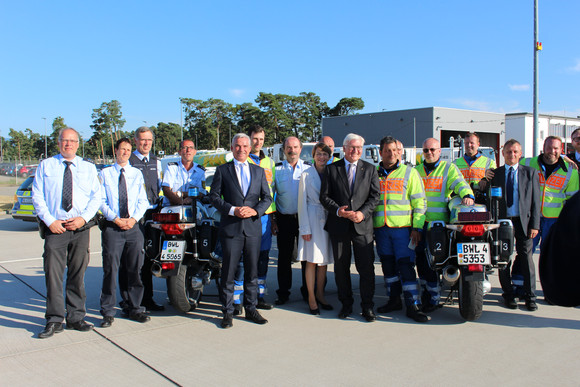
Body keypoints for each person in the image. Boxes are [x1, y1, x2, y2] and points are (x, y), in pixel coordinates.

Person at [32, 128, 101, 339]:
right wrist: (50, 221)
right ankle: (54, 320)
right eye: (65, 141)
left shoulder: (88, 168)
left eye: (72, 141)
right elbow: (37, 195)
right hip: (56, 228)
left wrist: (83, 218)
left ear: (78, 144)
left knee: (77, 274)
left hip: (79, 228)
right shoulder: (46, 165)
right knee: (53, 275)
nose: (68, 144)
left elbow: (96, 197)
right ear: (59, 142)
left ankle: (76, 317)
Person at [210, 133, 273, 329]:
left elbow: (267, 198)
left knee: (252, 272)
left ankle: (251, 308)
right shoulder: (223, 170)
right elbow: (214, 197)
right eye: (238, 146)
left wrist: (255, 211)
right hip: (231, 229)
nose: (242, 149)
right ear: (232, 147)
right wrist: (232, 210)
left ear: (249, 147)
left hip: (253, 230)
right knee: (228, 272)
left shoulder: (258, 171)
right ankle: (227, 312)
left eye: (245, 146)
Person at [320, 133, 380, 321]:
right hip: (339, 226)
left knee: (366, 269)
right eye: (352, 147)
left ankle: (367, 306)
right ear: (343, 148)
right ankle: (346, 305)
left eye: (359, 148)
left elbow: (375, 197)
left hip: (362, 226)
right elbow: (324, 197)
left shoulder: (370, 169)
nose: (355, 151)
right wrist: (338, 211)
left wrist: (362, 213)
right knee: (341, 268)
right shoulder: (331, 169)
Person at [479, 139, 541, 311]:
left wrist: (535, 224)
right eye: (508, 152)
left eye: (515, 152)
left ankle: (530, 297)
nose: (512, 155)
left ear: (520, 154)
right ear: (503, 154)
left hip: (524, 223)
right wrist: (484, 178)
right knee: (503, 259)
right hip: (502, 223)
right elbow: (484, 193)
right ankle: (508, 295)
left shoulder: (530, 173)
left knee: (526, 258)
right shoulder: (495, 174)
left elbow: (536, 201)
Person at [414, 138, 474, 312]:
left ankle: (433, 298)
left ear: (440, 151)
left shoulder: (449, 168)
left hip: (439, 225)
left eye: (433, 149)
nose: (429, 153)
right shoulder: (416, 170)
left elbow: (460, 183)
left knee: (435, 261)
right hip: (420, 222)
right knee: (421, 261)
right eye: (426, 150)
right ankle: (426, 292)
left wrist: (468, 195)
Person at [373, 136, 428, 323]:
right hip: (381, 230)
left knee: (406, 267)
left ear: (399, 151)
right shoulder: (373, 173)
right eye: (387, 150)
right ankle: (393, 300)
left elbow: (420, 202)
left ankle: (413, 305)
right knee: (388, 267)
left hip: (403, 230)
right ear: (380, 152)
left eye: (394, 150)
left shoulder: (409, 173)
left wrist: (417, 227)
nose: (391, 153)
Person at [99, 138, 151, 327]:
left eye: (129, 150)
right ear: (116, 151)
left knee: (135, 269)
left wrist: (133, 219)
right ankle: (107, 311)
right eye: (123, 149)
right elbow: (100, 200)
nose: (126, 153)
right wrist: (115, 218)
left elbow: (143, 201)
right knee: (110, 271)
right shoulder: (105, 174)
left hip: (133, 227)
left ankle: (134, 307)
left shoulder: (136, 174)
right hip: (113, 227)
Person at [231, 126, 276, 314]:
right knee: (242, 260)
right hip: (244, 219)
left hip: (264, 217)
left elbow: (272, 192)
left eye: (261, 139)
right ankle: (237, 300)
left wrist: (273, 217)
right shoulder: (241, 159)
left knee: (262, 258)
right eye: (255, 139)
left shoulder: (270, 162)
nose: (258, 143)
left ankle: (260, 295)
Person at [123, 126, 164, 312]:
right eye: (142, 140)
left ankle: (147, 299)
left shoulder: (156, 161)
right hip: (134, 217)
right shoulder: (129, 161)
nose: (146, 143)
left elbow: (160, 186)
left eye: (149, 140)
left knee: (149, 258)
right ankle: (127, 301)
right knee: (131, 259)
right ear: (135, 141)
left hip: (153, 216)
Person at [271, 137, 311, 305]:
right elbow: (270, 195)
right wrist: (273, 219)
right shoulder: (277, 170)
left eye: (295, 147)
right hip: (284, 219)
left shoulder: (309, 169)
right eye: (288, 147)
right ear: (284, 149)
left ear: (300, 149)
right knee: (284, 258)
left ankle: (308, 292)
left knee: (305, 258)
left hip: (304, 219)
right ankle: (283, 293)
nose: (292, 150)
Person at [297, 143, 334, 315]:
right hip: (311, 218)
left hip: (327, 219)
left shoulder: (332, 172)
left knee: (323, 261)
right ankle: (311, 297)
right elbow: (301, 203)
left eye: (325, 154)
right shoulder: (306, 174)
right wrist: (304, 228)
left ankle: (321, 294)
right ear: (313, 155)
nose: (322, 157)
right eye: (319, 154)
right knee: (311, 261)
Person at [162, 139, 206, 206]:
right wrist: (180, 202)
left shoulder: (200, 171)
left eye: (191, 148)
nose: (188, 150)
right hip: (171, 207)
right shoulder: (171, 168)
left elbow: (201, 193)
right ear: (179, 152)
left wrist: (181, 194)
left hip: (192, 207)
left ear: (195, 152)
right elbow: (166, 189)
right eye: (185, 148)